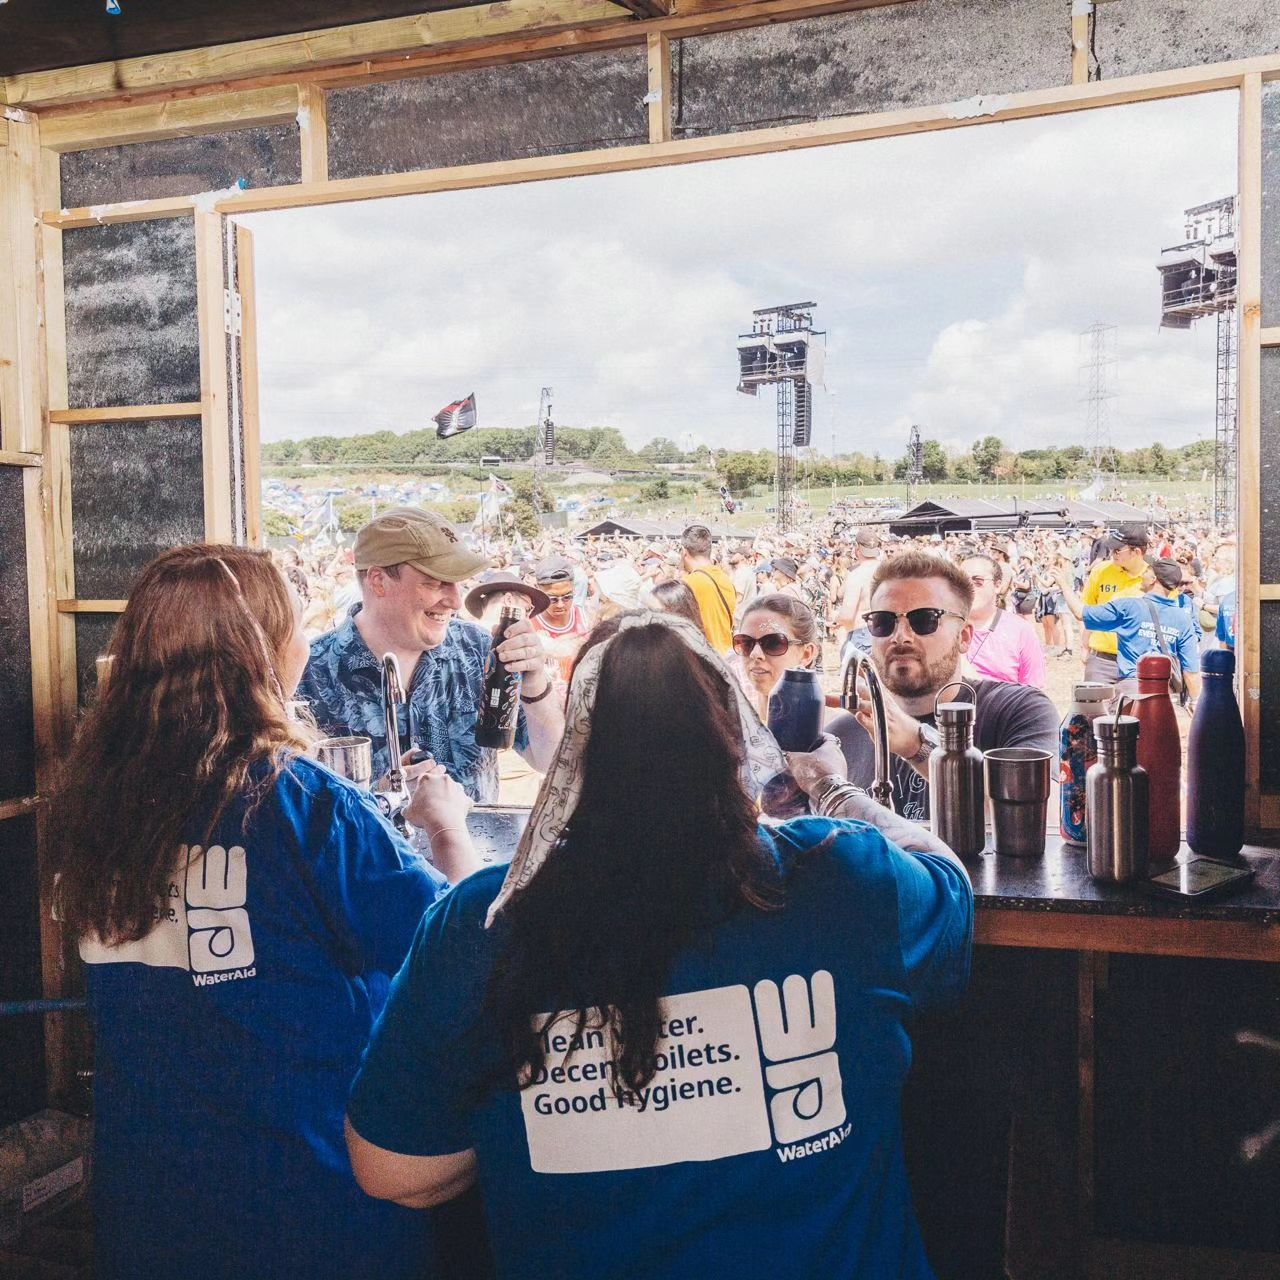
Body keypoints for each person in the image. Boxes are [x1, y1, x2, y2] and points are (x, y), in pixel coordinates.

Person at [344, 611, 972, 1279]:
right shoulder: (844, 876)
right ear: (734, 738)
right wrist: (833, 789)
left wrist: (543, 1119)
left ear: (576, 753)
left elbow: (392, 1169)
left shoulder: (484, 920)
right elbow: (948, 878)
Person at [48, 544, 475, 1280]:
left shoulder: (95, 800)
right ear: (264, 650)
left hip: (151, 1204)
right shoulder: (303, 802)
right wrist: (448, 830)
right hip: (314, 1205)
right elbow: (460, 946)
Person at [299, 508, 564, 803]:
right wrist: (379, 801)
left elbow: (550, 759)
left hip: (474, 834)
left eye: (457, 582)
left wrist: (534, 683)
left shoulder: (477, 649)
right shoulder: (309, 674)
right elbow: (295, 806)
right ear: (378, 581)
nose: (455, 601)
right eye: (436, 582)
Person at [826, 551, 1059, 822]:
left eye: (924, 620)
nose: (900, 636)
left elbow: (1042, 820)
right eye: (884, 621)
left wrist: (918, 746)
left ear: (964, 637)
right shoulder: (841, 736)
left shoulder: (1017, 711)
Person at [1055, 555, 1201, 703]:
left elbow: (1080, 612)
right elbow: (1191, 671)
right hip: (1163, 696)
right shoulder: (1183, 618)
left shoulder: (1129, 607)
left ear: (1153, 579)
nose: (1142, 576)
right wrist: (1195, 702)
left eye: (1146, 572)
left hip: (1132, 691)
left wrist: (1063, 584)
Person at [959, 553, 1045, 688]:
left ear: (997, 586)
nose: (969, 588)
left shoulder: (1021, 631)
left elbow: (1032, 690)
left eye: (978, 581)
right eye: (962, 582)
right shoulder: (941, 627)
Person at [731, 593, 821, 720]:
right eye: (746, 643)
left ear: (807, 654)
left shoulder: (833, 727)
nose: (755, 654)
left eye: (773, 643)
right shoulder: (730, 724)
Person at [1080, 530, 1147, 685]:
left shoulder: (1154, 578)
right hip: (1101, 660)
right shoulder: (1101, 571)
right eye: (1111, 549)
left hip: (1138, 661)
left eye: (1117, 550)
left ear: (1136, 552)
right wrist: (1084, 647)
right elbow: (1088, 610)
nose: (1112, 554)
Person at [528, 555, 592, 688]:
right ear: (538, 591)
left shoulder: (587, 617)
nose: (561, 605)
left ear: (574, 588)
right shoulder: (529, 624)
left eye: (567, 597)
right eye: (552, 599)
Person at [681, 523, 737, 653]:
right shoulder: (724, 578)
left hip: (704, 656)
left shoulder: (689, 583)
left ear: (684, 552)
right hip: (726, 654)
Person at [834, 528, 883, 659]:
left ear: (857, 550)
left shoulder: (856, 575)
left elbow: (847, 615)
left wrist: (836, 620)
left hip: (862, 633)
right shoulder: (889, 571)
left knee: (856, 671)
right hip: (887, 631)